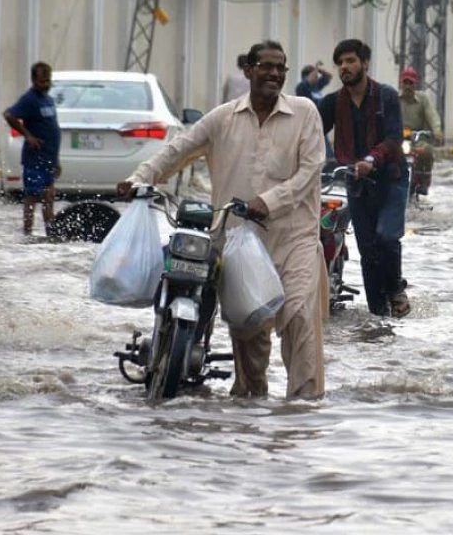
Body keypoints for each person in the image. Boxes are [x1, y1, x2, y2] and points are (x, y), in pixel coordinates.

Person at [119, 40, 329, 400]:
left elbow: (311, 170)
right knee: (249, 336)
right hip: (237, 241)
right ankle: (250, 413)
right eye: (266, 66)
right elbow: (179, 149)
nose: (274, 74)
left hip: (294, 238)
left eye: (281, 67)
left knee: (299, 321)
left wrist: (268, 201)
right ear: (248, 70)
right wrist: (140, 178)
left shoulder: (305, 112)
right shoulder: (223, 118)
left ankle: (302, 414)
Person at [318, 39, 411, 318]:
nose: (344, 67)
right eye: (340, 63)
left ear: (365, 64)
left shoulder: (387, 97)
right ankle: (378, 318)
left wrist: (371, 160)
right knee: (367, 251)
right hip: (356, 183)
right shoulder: (332, 103)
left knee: (385, 236)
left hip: (391, 178)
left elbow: (394, 139)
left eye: (350, 61)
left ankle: (396, 289)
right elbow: (310, 134)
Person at [3, 62, 61, 237]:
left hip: (49, 158)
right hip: (34, 159)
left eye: (47, 81)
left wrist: (56, 160)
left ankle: (50, 233)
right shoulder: (29, 99)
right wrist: (27, 135)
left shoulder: (48, 100)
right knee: (33, 197)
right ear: (33, 80)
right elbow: (9, 115)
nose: (45, 85)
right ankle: (27, 233)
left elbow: (52, 129)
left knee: (49, 197)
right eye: (41, 81)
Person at [398, 67, 443, 196]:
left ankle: (424, 182)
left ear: (415, 84)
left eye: (410, 83)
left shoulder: (423, 98)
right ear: (401, 83)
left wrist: (437, 131)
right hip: (399, 138)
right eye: (405, 83)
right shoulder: (395, 99)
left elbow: (432, 115)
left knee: (426, 151)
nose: (407, 86)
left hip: (418, 138)